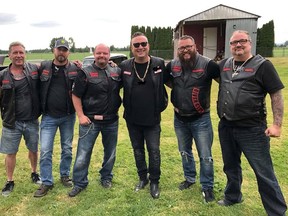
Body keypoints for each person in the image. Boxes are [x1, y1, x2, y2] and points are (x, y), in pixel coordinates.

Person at [217, 30, 287, 215]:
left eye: (242, 41)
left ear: (250, 42)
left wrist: (277, 124)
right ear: (229, 46)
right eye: (234, 42)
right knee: (230, 166)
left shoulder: (263, 65)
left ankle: (277, 211)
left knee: (263, 172)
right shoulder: (224, 64)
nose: (238, 45)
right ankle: (233, 196)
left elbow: (276, 95)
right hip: (226, 125)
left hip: (252, 128)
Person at [165, 35, 220, 202]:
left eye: (188, 46)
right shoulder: (172, 65)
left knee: (205, 155)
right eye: (181, 48)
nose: (185, 50)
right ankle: (189, 178)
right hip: (179, 118)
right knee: (184, 152)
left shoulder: (208, 65)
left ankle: (207, 187)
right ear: (177, 50)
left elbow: (224, 82)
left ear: (195, 46)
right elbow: (168, 82)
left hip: (201, 119)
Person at [68, 43, 122, 197]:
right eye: (99, 53)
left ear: (109, 55)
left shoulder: (116, 71)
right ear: (94, 55)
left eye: (105, 53)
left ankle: (106, 177)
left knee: (110, 152)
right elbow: (76, 95)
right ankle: (79, 182)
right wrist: (81, 116)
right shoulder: (85, 72)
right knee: (83, 153)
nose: (102, 56)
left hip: (111, 120)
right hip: (90, 121)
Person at [119, 32, 168, 199]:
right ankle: (143, 178)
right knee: (138, 150)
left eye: (143, 44)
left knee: (154, 151)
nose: (140, 47)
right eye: (136, 45)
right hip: (132, 118)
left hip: (153, 118)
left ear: (148, 45)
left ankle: (154, 181)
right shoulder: (124, 66)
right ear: (131, 47)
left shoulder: (159, 63)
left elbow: (172, 81)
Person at [34, 39, 79, 197]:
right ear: (54, 50)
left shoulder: (75, 68)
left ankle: (65, 175)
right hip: (48, 117)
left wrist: (113, 65)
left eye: (64, 50)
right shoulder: (43, 67)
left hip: (68, 116)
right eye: (59, 49)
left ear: (69, 52)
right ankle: (46, 181)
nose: (61, 52)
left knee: (67, 148)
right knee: (45, 150)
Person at [0, 41, 41, 196]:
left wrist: (76, 64)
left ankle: (34, 173)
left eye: (21, 52)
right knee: (10, 153)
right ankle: (9, 181)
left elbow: (55, 64)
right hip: (12, 122)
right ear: (9, 55)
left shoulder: (34, 69)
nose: (18, 56)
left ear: (25, 54)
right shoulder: (3, 75)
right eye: (15, 53)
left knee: (33, 149)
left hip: (31, 120)